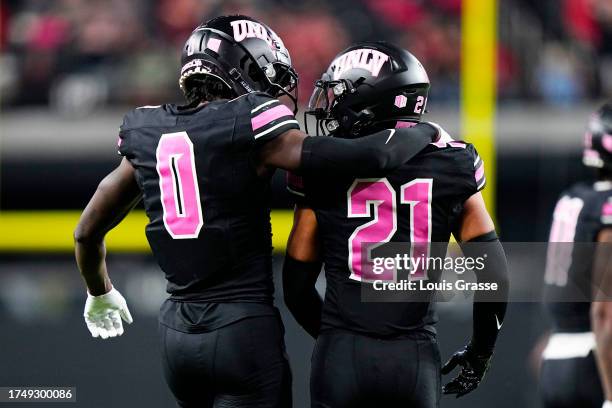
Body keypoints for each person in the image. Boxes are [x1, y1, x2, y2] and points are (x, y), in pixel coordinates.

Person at [73, 16, 439, 408]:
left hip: (176, 335)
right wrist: (422, 132)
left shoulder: (146, 130)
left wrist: (99, 291)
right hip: (240, 330)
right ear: (245, 67)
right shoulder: (250, 120)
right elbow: (370, 156)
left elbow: (85, 232)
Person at [283, 41, 509, 407]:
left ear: (373, 101)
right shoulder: (452, 163)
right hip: (413, 358)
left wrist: (337, 338)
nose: (333, 105)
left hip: (343, 353)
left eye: (342, 94)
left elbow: (296, 288)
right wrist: (481, 351)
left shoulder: (321, 167)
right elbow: (494, 275)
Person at [540, 101, 612, 408]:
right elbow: (605, 312)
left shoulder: (573, 198)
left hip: (557, 357)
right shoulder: (607, 206)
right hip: (595, 363)